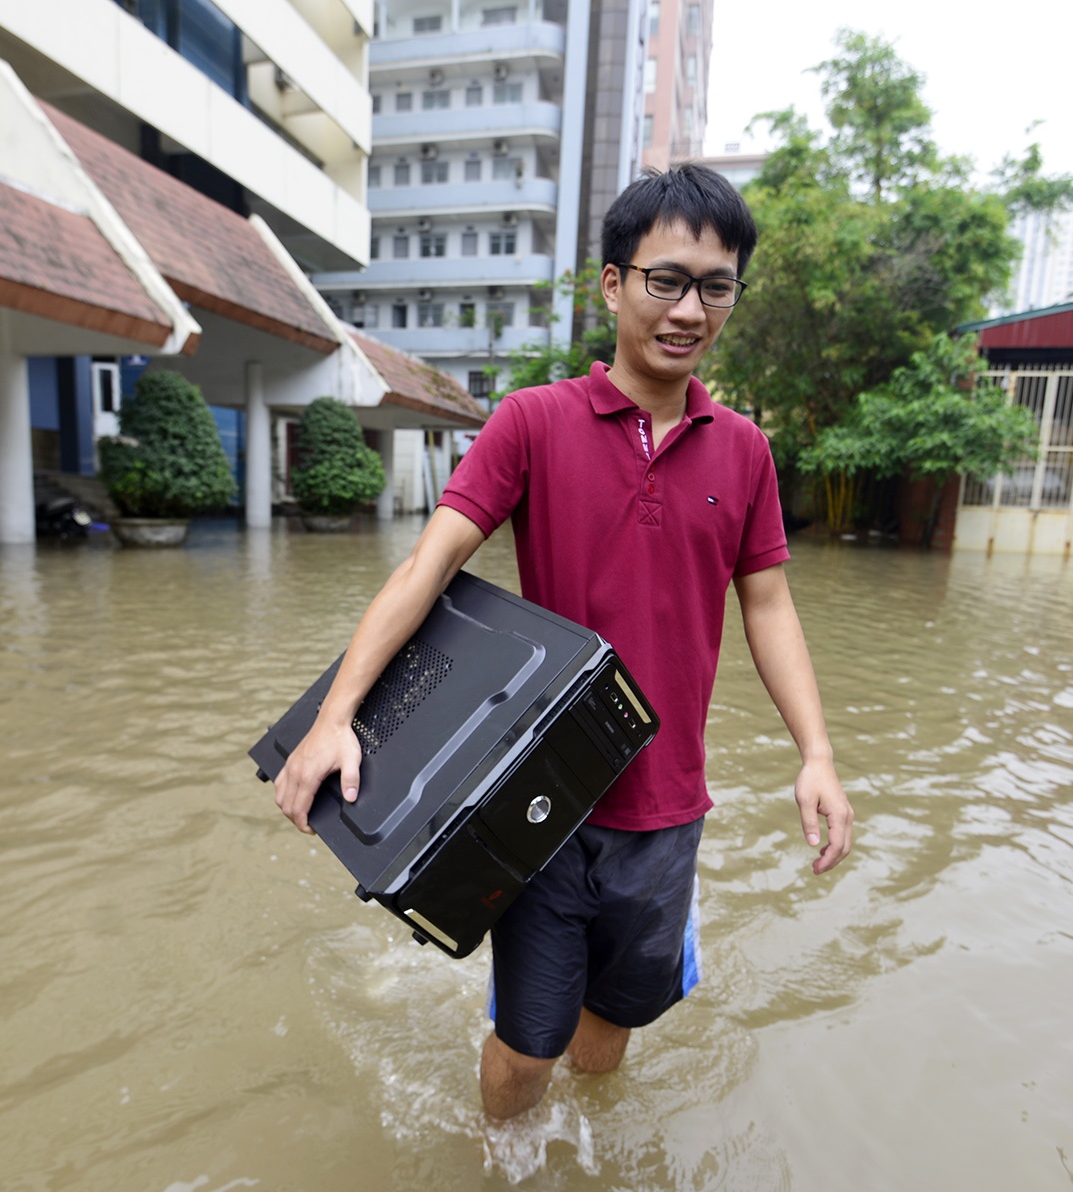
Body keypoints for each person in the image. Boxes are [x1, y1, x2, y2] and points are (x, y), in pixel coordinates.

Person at [274, 164, 854, 1122]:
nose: (690, 309)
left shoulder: (743, 449)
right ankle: (505, 1186)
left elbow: (770, 607)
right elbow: (426, 569)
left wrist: (818, 754)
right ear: (614, 284)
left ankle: (580, 1177)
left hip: (669, 813)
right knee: (526, 1049)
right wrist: (337, 716)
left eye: (716, 286)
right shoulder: (532, 423)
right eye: (666, 279)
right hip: (543, 802)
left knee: (612, 1032)